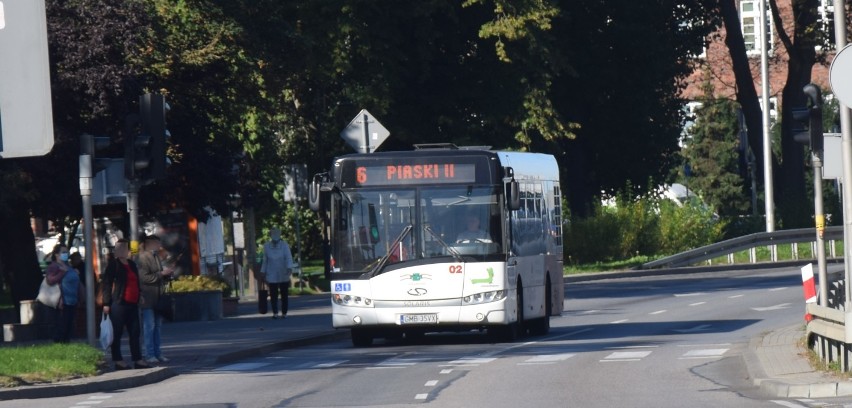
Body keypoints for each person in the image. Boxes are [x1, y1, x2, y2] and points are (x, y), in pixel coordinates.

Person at [101, 239, 150, 370]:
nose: (119, 250)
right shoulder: (113, 265)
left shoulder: (132, 264)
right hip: (119, 303)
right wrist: (106, 303)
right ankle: (118, 360)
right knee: (116, 332)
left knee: (135, 332)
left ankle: (138, 359)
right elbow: (106, 284)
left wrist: (139, 295)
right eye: (117, 248)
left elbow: (136, 282)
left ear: (127, 250)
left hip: (133, 303)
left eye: (122, 248)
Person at [137, 235, 173, 364]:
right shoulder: (142, 258)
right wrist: (161, 274)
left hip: (158, 296)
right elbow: (143, 277)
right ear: (150, 244)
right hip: (147, 297)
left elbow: (157, 275)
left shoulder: (155, 256)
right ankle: (149, 353)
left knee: (157, 326)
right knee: (149, 326)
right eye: (157, 243)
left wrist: (167, 274)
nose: (159, 246)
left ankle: (157, 353)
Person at [44, 245, 84, 343]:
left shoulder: (69, 267)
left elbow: (77, 283)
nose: (66, 254)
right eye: (63, 252)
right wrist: (62, 272)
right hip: (62, 302)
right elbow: (50, 280)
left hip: (73, 301)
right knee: (61, 327)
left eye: (67, 252)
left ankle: (66, 346)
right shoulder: (54, 267)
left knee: (69, 328)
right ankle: (59, 347)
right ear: (57, 255)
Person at [261, 228, 294, 319]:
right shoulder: (267, 246)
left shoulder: (284, 245)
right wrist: (263, 271)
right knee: (273, 294)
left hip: (283, 271)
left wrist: (289, 267)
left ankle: (284, 312)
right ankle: (275, 312)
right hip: (271, 271)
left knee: (284, 293)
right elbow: (265, 260)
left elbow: (288, 257)